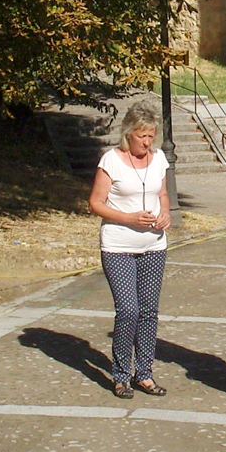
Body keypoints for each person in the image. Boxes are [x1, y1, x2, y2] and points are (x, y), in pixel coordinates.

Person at [88, 101, 171, 399]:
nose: (147, 143)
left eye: (151, 136)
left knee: (148, 311)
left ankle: (144, 374)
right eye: (141, 136)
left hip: (153, 245)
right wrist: (129, 218)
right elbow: (95, 203)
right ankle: (121, 374)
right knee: (128, 310)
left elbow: (162, 193)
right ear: (128, 133)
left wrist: (166, 213)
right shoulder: (111, 160)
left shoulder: (159, 158)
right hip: (118, 245)